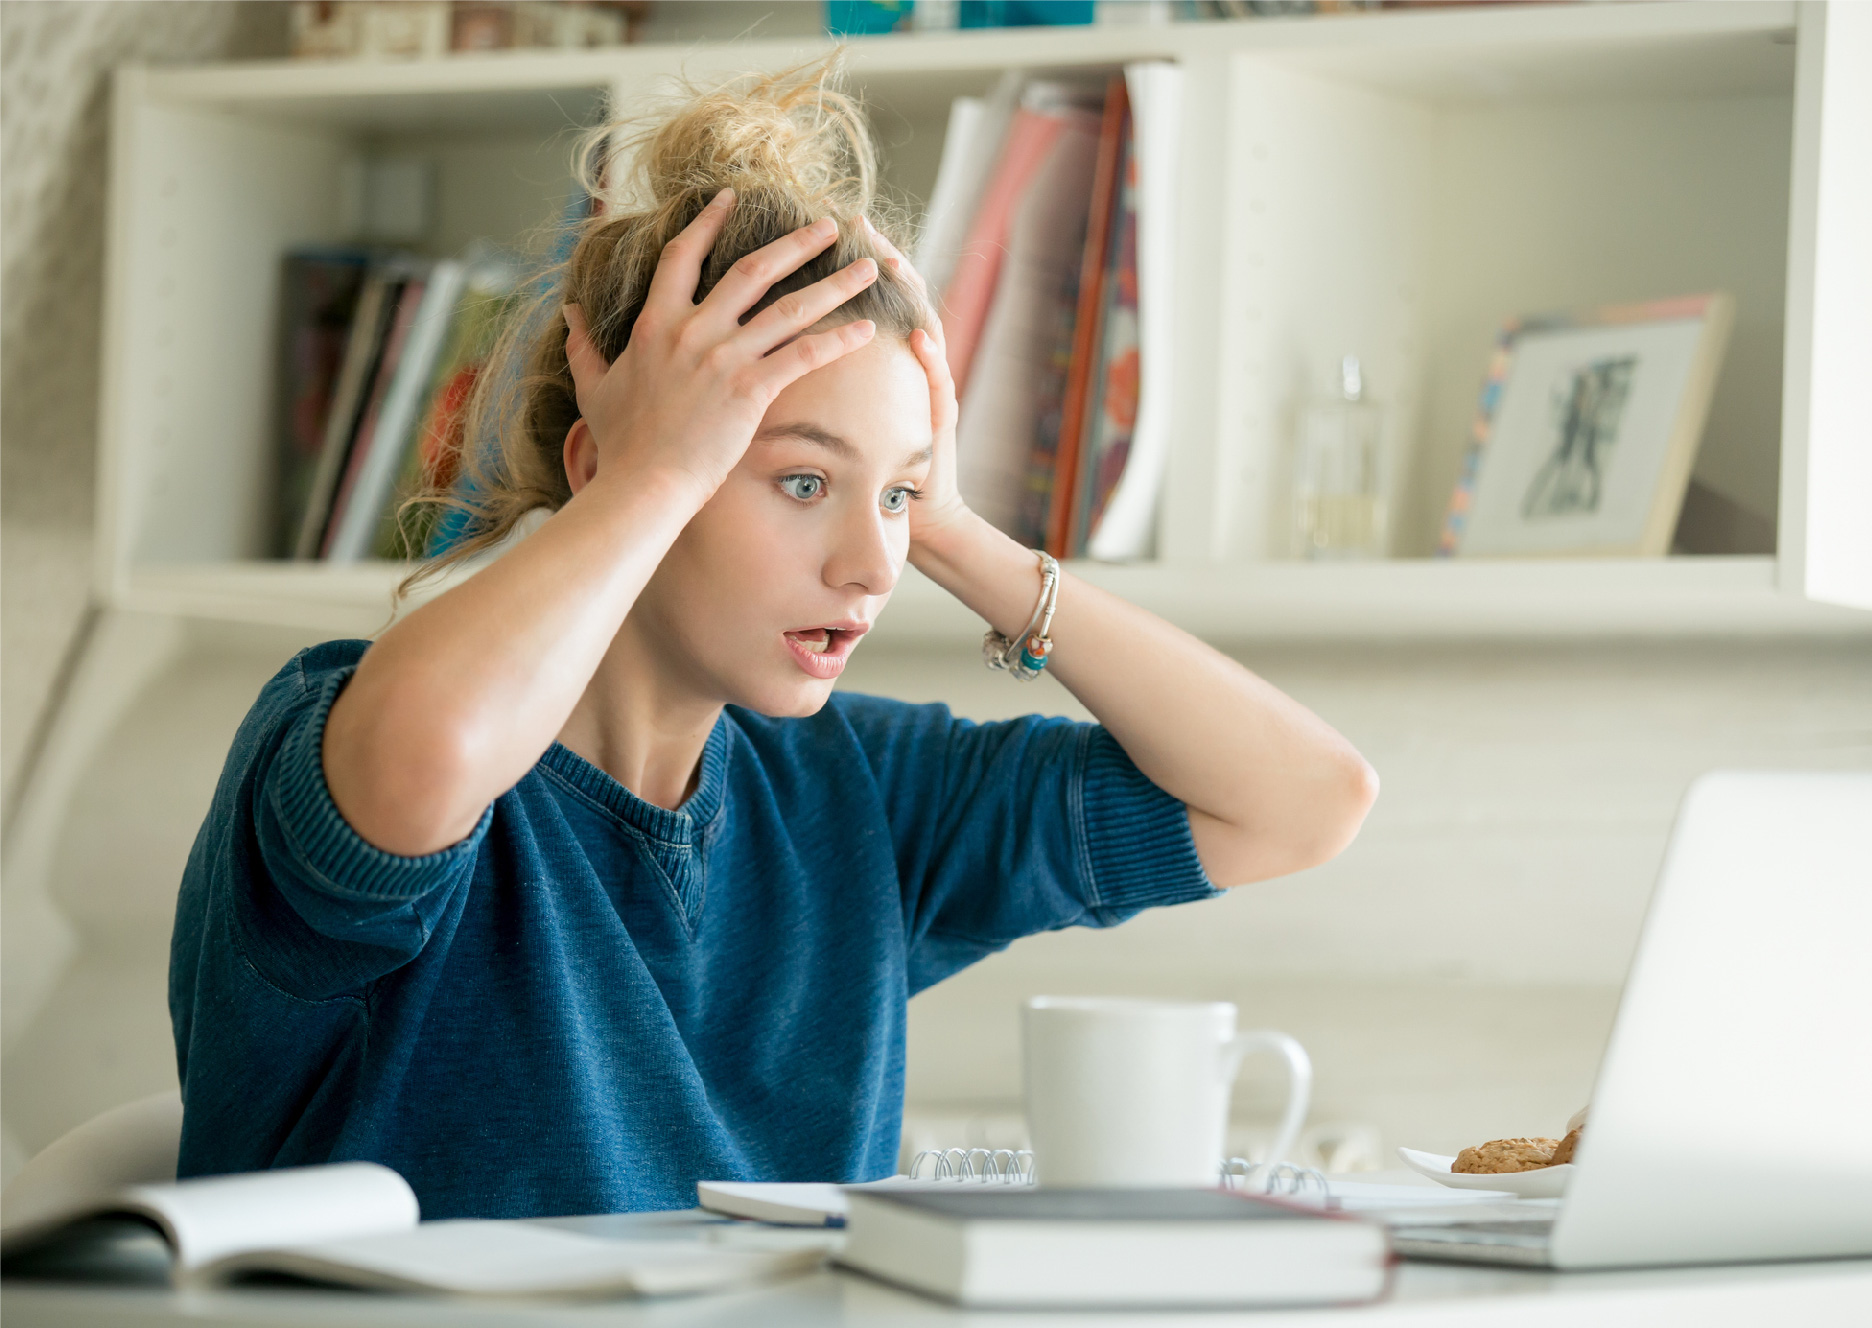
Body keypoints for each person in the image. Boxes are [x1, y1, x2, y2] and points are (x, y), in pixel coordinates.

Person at [169, 63, 1377, 1219]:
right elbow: (430, 759)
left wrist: (954, 529)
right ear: (612, 465)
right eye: (800, 482)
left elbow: (1301, 798)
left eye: (893, 500)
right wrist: (650, 480)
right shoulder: (340, 727)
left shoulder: (858, 791)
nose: (871, 565)